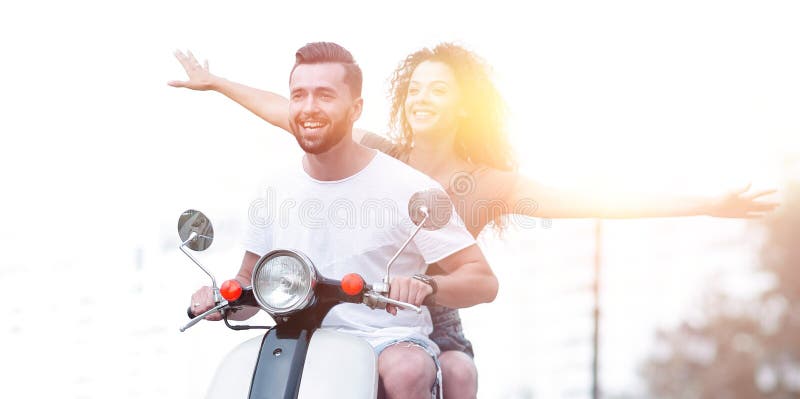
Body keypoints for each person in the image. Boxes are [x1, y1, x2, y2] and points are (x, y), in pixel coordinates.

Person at [170, 43, 779, 399]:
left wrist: (702, 202)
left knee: (452, 372)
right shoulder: (383, 154)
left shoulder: (489, 185)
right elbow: (295, 113)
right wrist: (218, 82)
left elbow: (598, 198)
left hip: (425, 310)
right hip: (339, 304)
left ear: (465, 105)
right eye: (415, 89)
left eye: (440, 90)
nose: (423, 98)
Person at [185, 42, 498, 399]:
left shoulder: (411, 188)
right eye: (298, 95)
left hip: (389, 340)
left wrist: (426, 285)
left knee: (408, 371)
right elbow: (247, 283)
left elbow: (483, 279)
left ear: (355, 109)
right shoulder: (272, 189)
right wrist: (217, 299)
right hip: (300, 342)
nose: (309, 108)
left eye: (325, 96)